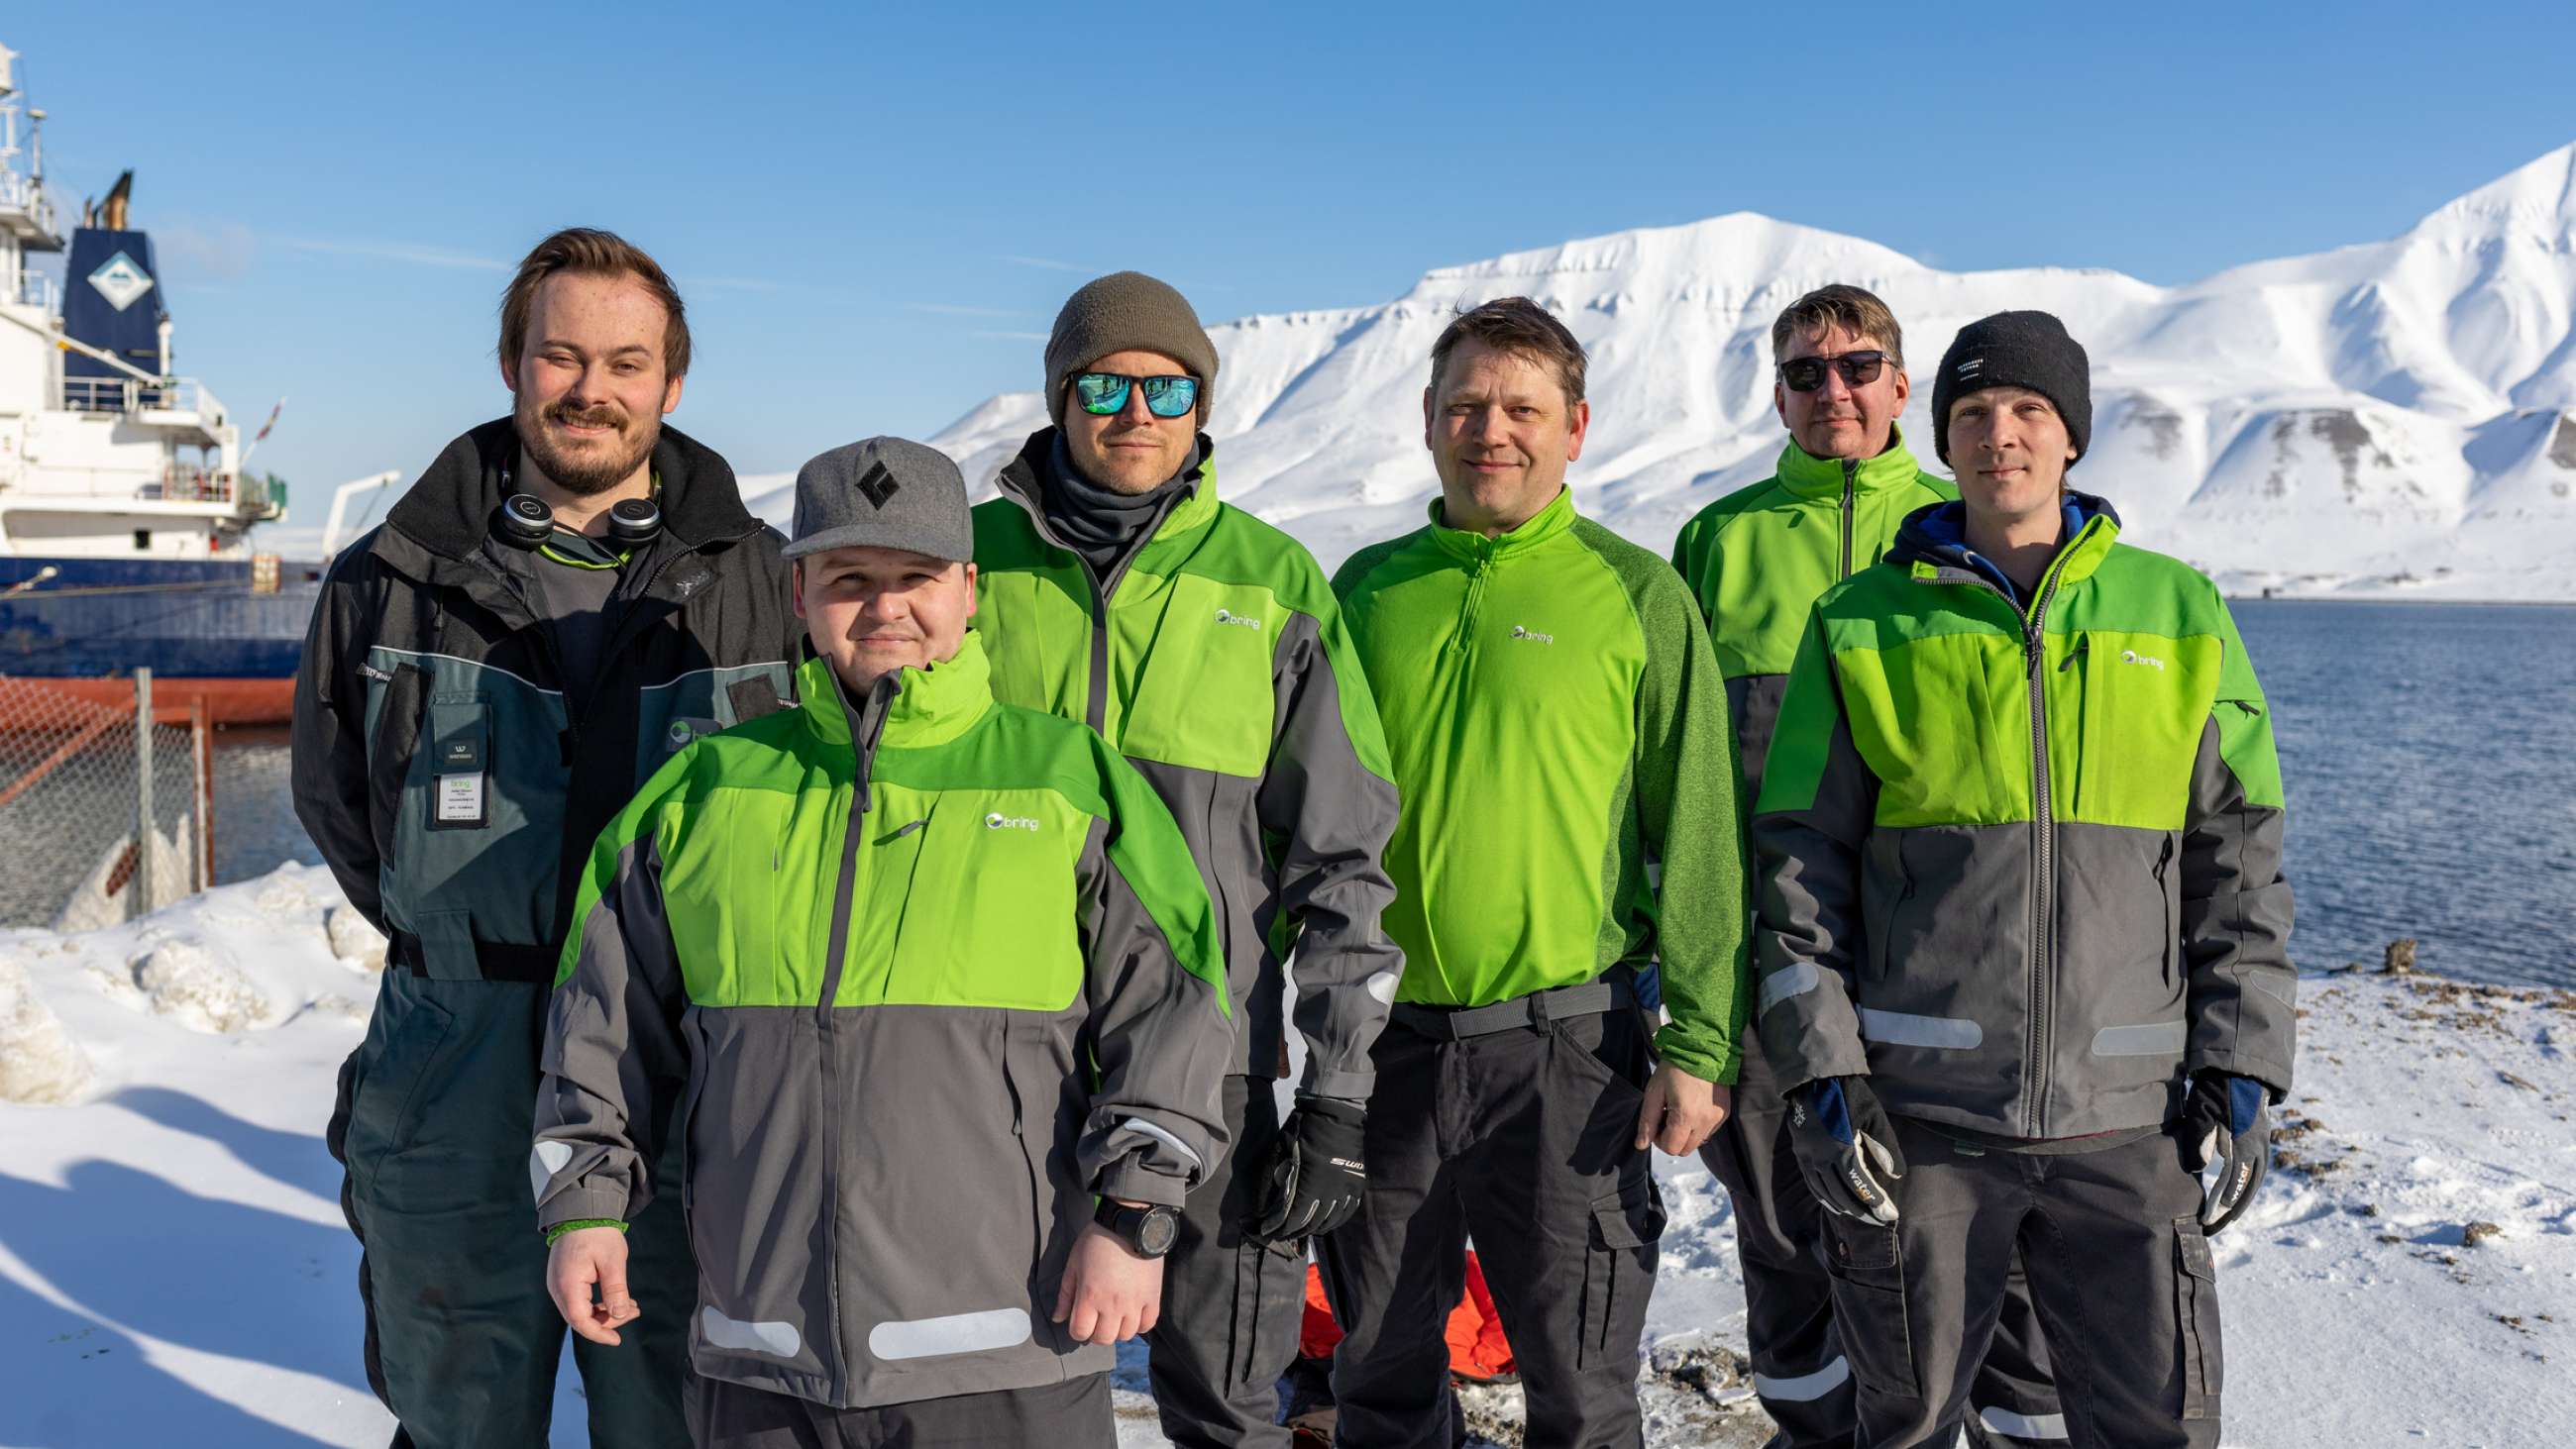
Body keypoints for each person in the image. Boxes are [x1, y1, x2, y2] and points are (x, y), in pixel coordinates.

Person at [532, 437, 1239, 1447]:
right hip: (762, 1349)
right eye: (849, 578)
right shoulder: (703, 791)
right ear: (799, 594)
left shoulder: (1065, 782)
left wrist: (1133, 1216)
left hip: (1006, 1352)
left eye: (916, 576)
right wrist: (584, 1207)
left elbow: (1175, 1012)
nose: (885, 606)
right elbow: (599, 1021)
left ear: (968, 589)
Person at [291, 227, 801, 1448]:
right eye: (559, 356)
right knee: (455, 1397)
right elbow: (339, 804)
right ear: (512, 366)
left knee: (678, 1405)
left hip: (681, 1067)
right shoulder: (390, 578)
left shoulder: (762, 582)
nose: (591, 389)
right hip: (456, 1053)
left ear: (671, 384)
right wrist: (475, 941)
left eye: (625, 362)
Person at [1753, 310, 2295, 1449]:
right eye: (1971, 413)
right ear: (1941, 438)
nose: (1999, 432)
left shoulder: (2177, 611)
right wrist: (1821, 1070)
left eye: (2026, 410)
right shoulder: (1858, 623)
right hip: (1920, 1125)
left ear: (2070, 437)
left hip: (2127, 1126)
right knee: (1898, 1421)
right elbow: (1798, 870)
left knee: (2154, 1423)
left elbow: (2235, 860)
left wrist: (2242, 1053)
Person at [972, 271, 1403, 1447]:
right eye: (1104, 383)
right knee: (1004, 1392)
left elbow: (1344, 859)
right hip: (1002, 1057)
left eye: (1166, 387)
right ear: (1060, 397)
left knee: (1226, 1399)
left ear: (1200, 404)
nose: (1135, 411)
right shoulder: (965, 569)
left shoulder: (1271, 585)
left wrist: (1333, 1093)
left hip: (1221, 1068)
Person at [1324, 296, 1748, 1448]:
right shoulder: (1364, 590)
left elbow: (1699, 827)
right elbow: (1302, 816)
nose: (1489, 430)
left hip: (1567, 1050)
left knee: (1579, 1384)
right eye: (1465, 404)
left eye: (1521, 407)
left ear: (1575, 426)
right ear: (1425, 420)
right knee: (1376, 1371)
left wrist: (1701, 1042)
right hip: (1379, 1047)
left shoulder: (1636, 593)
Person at [1670, 285, 2061, 1448]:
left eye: (1856, 366)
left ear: (1903, 385)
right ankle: (1812, 1428)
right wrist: (1669, 951)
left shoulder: (1961, 529)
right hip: (1762, 968)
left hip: (1927, 977)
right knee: (1787, 1235)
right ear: (1777, 392)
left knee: (1961, 1238)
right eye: (1804, 372)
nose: (1830, 390)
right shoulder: (1717, 541)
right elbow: (1677, 776)